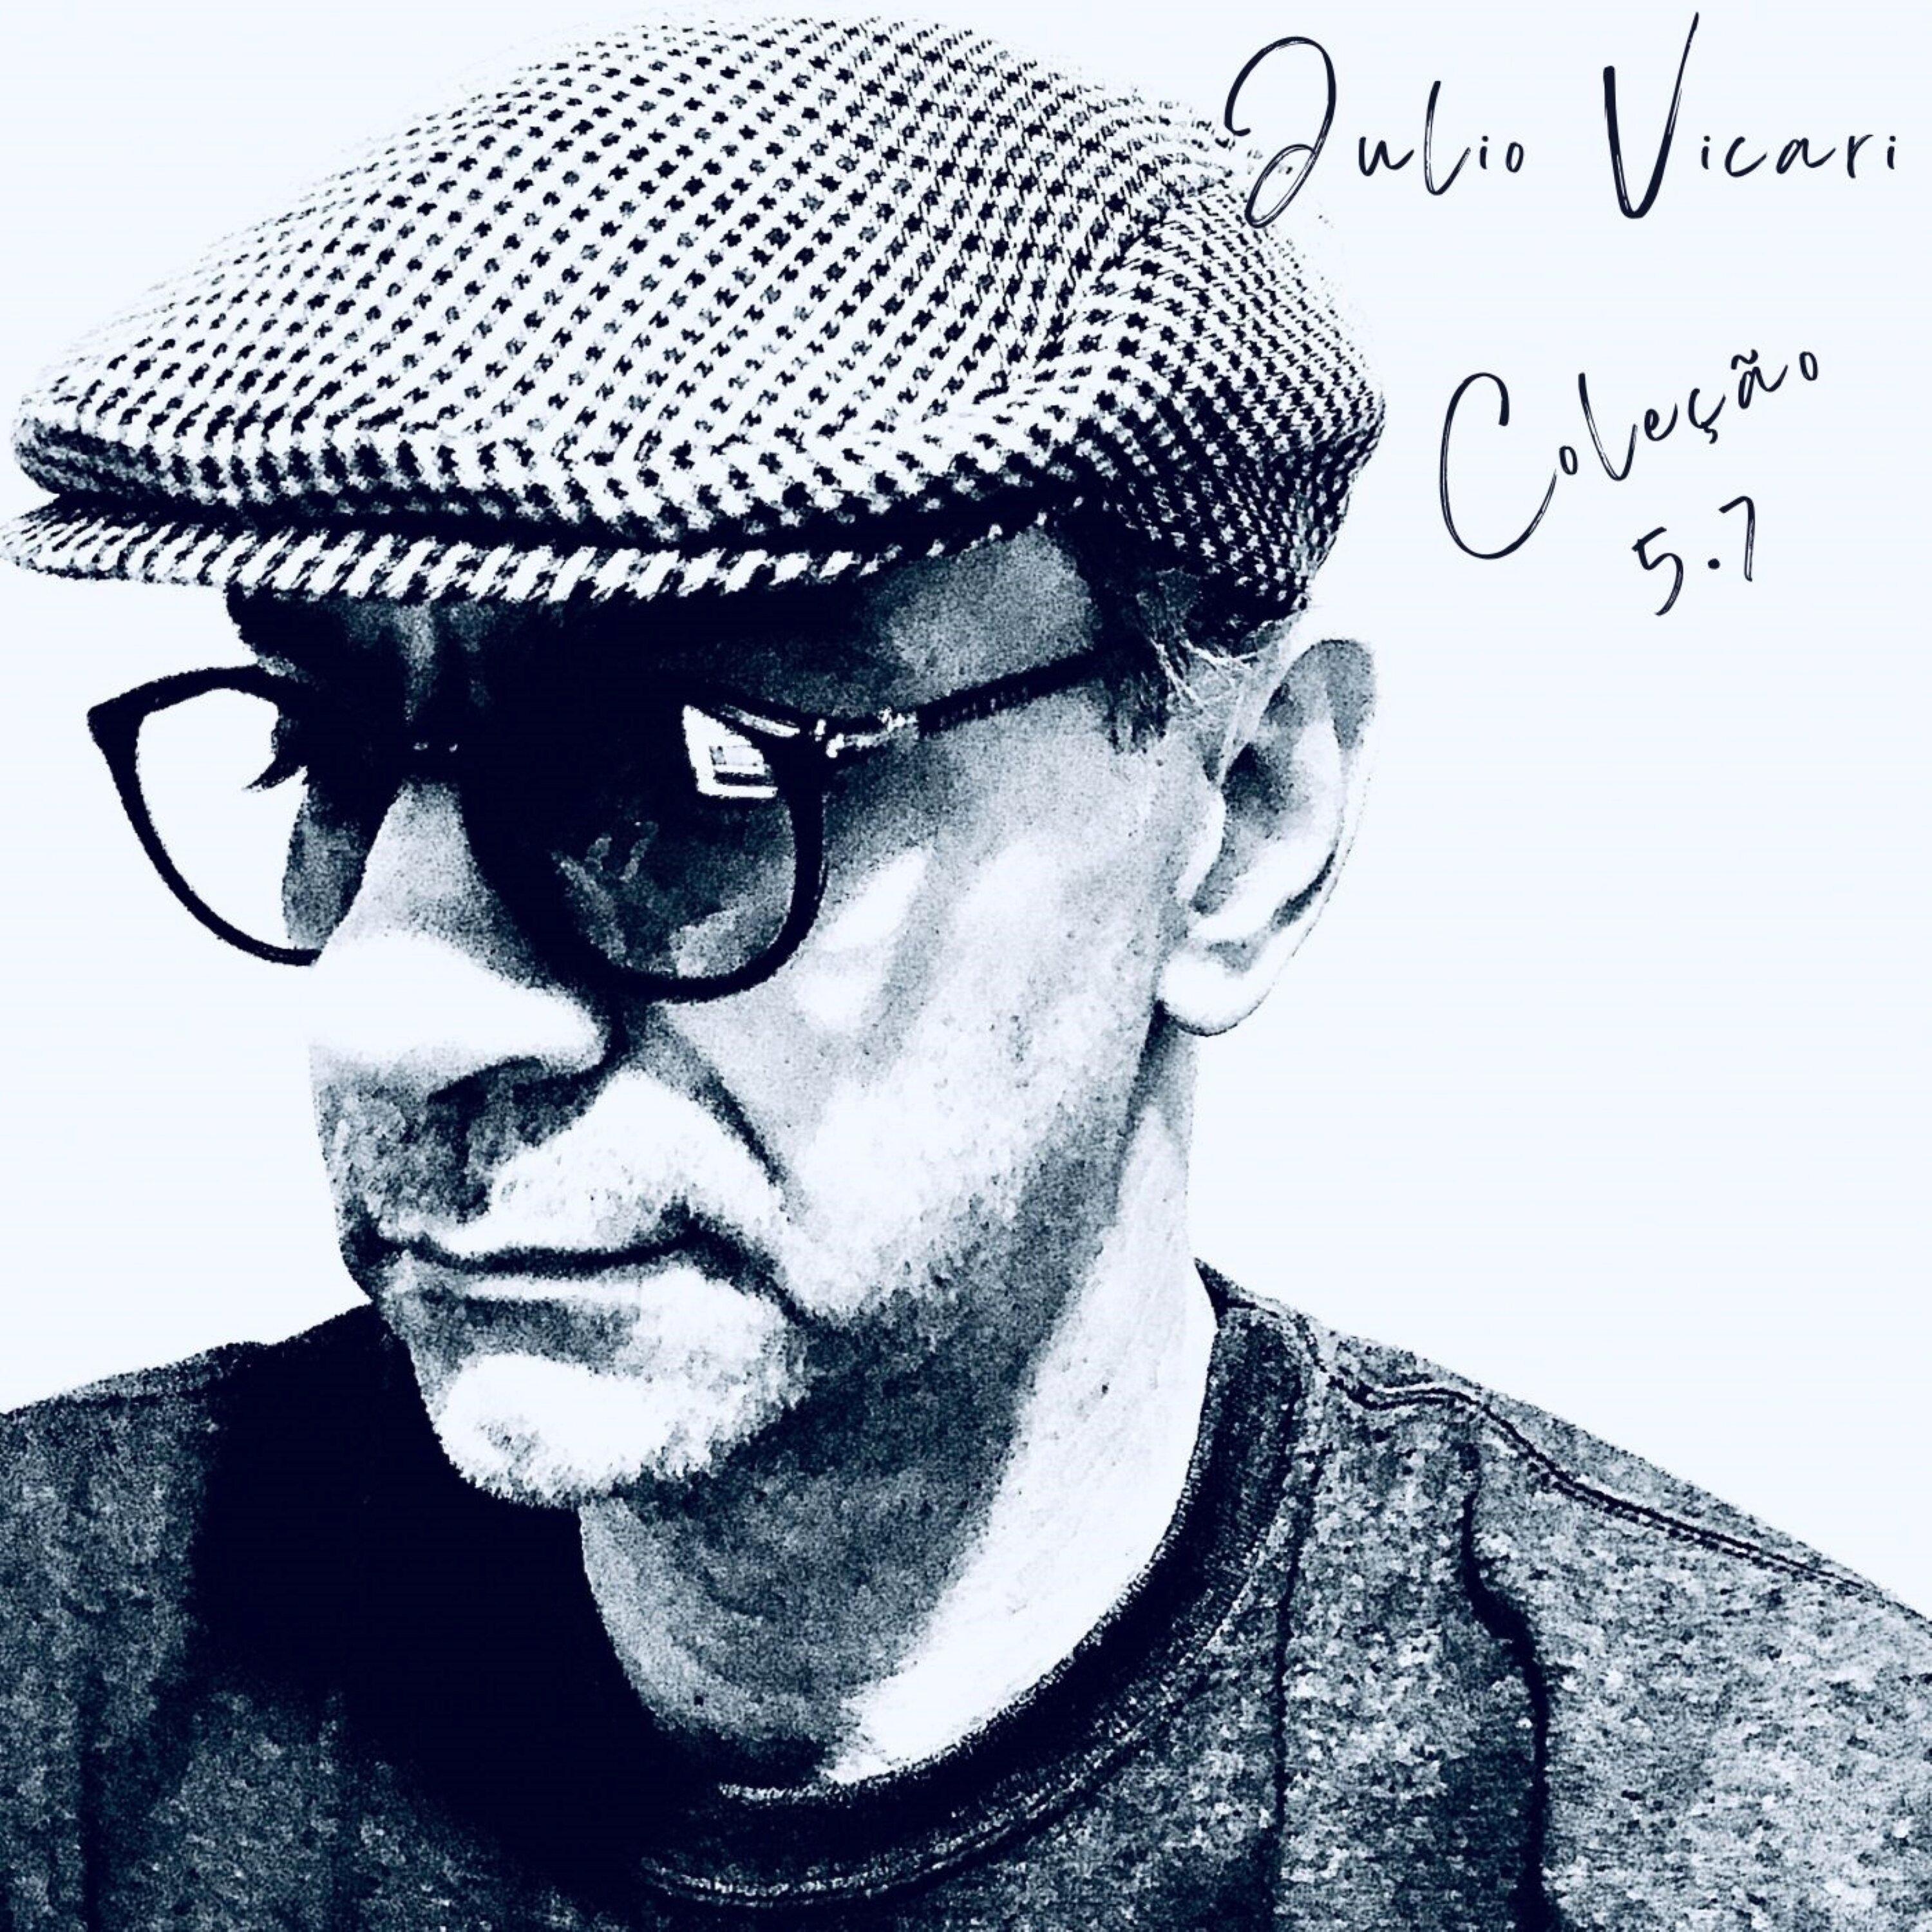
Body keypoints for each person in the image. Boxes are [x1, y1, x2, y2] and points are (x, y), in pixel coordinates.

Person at [0, 12, 1925, 1927]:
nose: (386, 1010)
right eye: (324, 753)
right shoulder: (57, 1667)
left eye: (701, 762)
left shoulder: (1747, 1831)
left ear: (1242, 828)